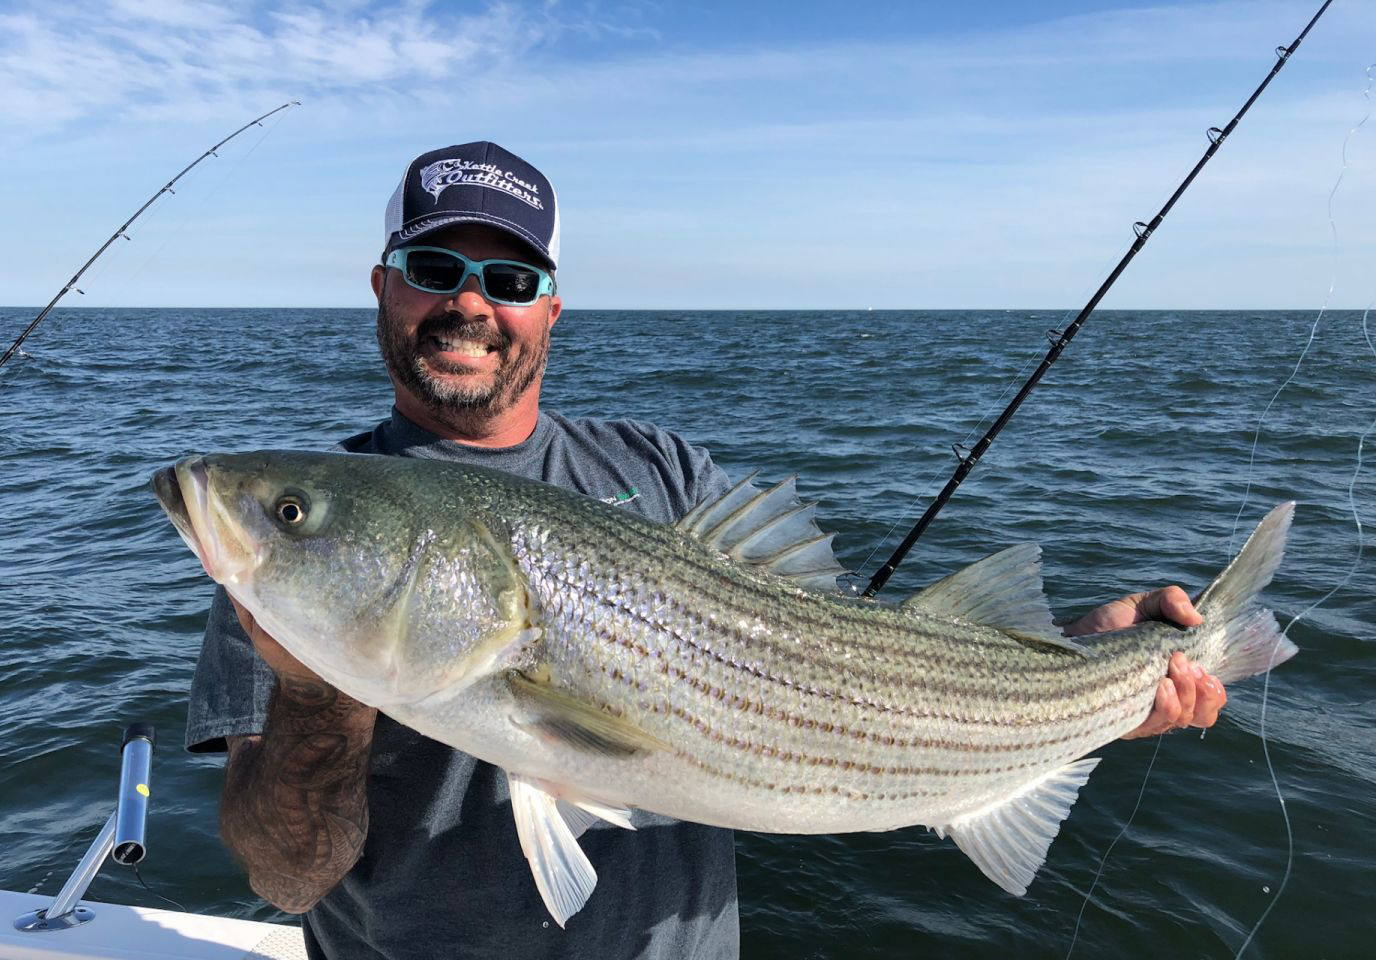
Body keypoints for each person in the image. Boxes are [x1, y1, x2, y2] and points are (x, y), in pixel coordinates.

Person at [185, 141, 1228, 959]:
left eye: (508, 277)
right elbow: (286, 877)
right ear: (383, 285)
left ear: (550, 304)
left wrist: (1077, 666)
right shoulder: (294, 577)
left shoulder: (663, 470)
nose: (468, 301)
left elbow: (845, 657)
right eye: (434, 266)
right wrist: (314, 695)